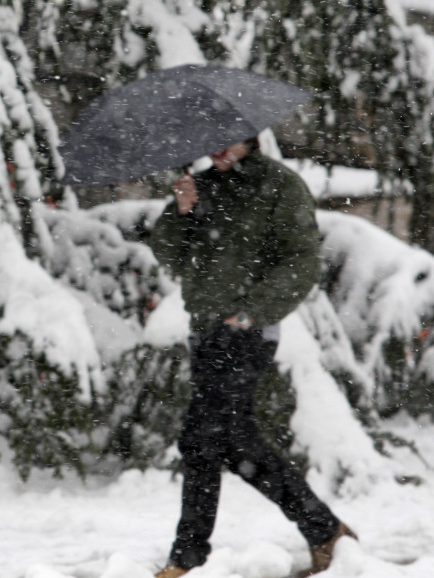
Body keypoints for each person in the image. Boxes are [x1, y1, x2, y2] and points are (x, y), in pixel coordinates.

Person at [148, 137, 357, 578]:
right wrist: (181, 213)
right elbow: (171, 257)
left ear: (250, 137)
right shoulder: (200, 186)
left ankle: (187, 559)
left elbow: (302, 261)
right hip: (205, 330)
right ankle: (324, 530)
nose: (218, 149)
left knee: (204, 439)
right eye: (210, 140)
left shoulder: (280, 186)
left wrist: (251, 313)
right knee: (227, 440)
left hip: (248, 331)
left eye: (229, 140)